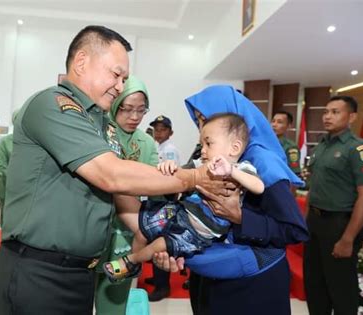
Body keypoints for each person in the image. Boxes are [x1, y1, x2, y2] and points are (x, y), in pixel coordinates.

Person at [0, 25, 224, 315]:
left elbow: (120, 195)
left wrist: (161, 242)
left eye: (125, 78)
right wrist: (196, 177)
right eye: (116, 74)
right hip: (38, 272)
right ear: (81, 62)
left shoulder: (100, 124)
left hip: (79, 273)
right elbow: (110, 174)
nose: (120, 85)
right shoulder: (53, 104)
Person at [153, 85, 309, 315]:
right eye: (198, 121)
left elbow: (293, 230)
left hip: (254, 286)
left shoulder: (264, 162)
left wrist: (238, 216)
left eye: (205, 118)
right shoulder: (208, 155)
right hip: (212, 274)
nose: (202, 127)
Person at [103, 113, 273, 282]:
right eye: (202, 144)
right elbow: (179, 175)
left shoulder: (242, 168)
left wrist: (231, 171)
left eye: (208, 143)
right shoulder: (202, 164)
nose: (203, 150)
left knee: (160, 244)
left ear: (234, 148)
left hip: (196, 231)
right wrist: (169, 166)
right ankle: (134, 267)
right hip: (179, 211)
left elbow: (259, 187)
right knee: (142, 230)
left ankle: (131, 261)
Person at [303, 95, 363, 315]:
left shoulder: (358, 149)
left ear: (352, 116)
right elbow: (314, 188)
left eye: (335, 112)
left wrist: (347, 239)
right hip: (315, 223)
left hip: (340, 225)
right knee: (315, 285)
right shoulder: (322, 145)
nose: (328, 116)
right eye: (326, 112)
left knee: (341, 288)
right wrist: (305, 222)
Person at [94, 75, 158, 315]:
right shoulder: (97, 132)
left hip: (127, 231)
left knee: (114, 300)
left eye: (141, 111)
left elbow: (152, 185)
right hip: (92, 225)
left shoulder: (147, 143)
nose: (134, 117)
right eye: (127, 109)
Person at [145, 114, 181, 301]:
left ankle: (162, 286)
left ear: (171, 132)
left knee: (161, 243)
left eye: (163, 129)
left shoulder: (170, 150)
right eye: (156, 129)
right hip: (156, 199)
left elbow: (171, 178)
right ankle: (157, 277)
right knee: (154, 239)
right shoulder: (157, 146)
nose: (159, 132)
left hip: (164, 202)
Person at [0, 108, 19, 226]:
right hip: (8, 190)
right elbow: (1, 166)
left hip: (29, 192)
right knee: (8, 224)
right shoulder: (5, 141)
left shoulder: (34, 141)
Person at [271, 110, 301, 175]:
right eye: (273, 121)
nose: (274, 125)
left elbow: (294, 172)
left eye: (279, 122)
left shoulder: (290, 147)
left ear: (288, 126)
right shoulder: (265, 142)